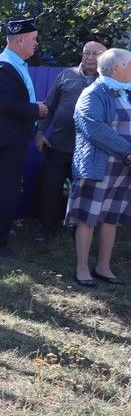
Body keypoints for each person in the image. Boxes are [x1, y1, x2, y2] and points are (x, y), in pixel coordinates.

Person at [0, 17, 49, 255]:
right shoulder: (4, 67)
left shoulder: (14, 64)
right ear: (20, 39)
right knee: (3, 191)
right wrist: (36, 110)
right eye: (33, 39)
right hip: (8, 137)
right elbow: (7, 103)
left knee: (6, 189)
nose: (35, 44)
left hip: (13, 136)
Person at [66, 47, 131, 287]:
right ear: (117, 68)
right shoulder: (93, 92)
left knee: (110, 217)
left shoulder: (126, 92)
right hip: (98, 165)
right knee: (88, 217)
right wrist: (128, 151)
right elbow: (93, 127)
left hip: (122, 167)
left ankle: (104, 267)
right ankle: (82, 268)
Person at [37, 40, 106, 242]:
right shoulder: (66, 75)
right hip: (58, 145)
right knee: (51, 189)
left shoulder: (107, 81)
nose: (90, 58)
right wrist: (40, 133)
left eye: (96, 54)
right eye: (87, 53)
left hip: (90, 150)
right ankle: (48, 230)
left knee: (84, 193)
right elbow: (47, 107)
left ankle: (80, 232)